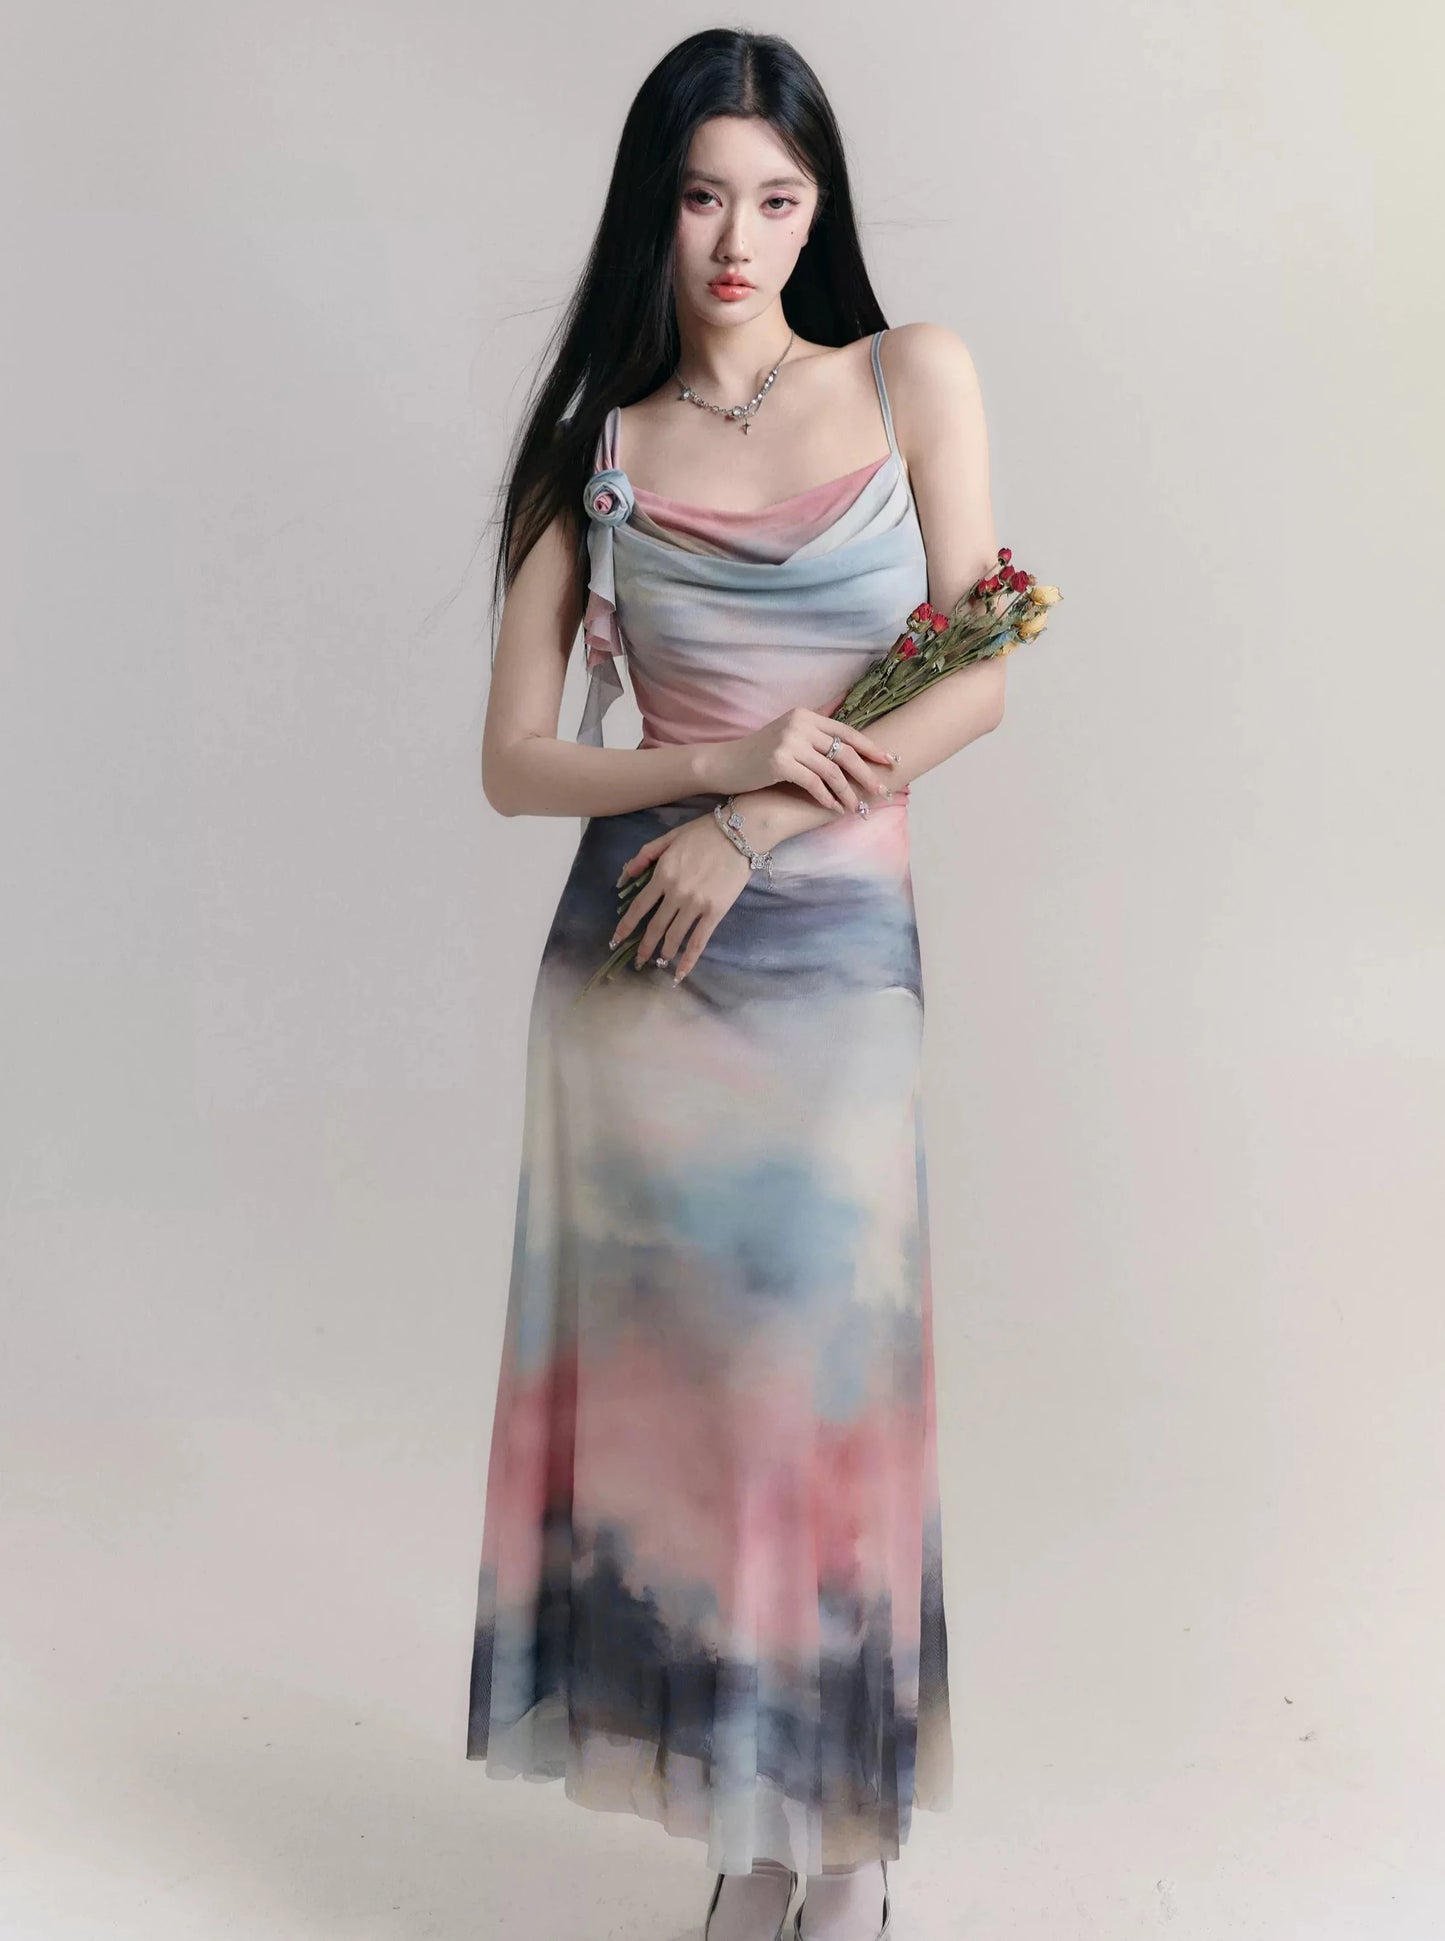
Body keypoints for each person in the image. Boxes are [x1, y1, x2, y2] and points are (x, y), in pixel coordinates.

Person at [467, 26, 1005, 1941]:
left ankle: (843, 1844)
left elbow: (975, 672)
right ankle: (746, 1840)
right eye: (703, 196)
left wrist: (758, 823)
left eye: (776, 198)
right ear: (654, 207)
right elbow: (514, 762)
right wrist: (706, 766)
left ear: (816, 210)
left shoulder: (909, 375)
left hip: (831, 962)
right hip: (636, 976)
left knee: (818, 1390)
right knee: (693, 1422)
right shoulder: (593, 452)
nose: (737, 237)